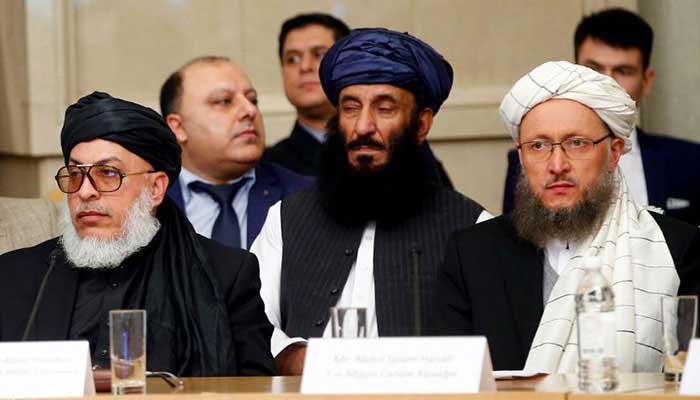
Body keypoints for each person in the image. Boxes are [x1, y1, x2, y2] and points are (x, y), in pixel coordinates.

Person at [434, 61, 700, 373]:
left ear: (614, 152)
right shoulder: (473, 254)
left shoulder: (676, 249)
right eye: (538, 145)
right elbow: (450, 382)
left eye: (576, 143)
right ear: (521, 157)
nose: (557, 164)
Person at [252, 28, 490, 375]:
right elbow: (251, 320)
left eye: (384, 108)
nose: (363, 126)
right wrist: (296, 358)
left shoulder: (474, 229)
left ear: (421, 125)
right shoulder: (285, 219)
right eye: (350, 108)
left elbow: (494, 349)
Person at [0, 92, 276, 377]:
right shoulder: (14, 276)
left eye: (108, 173)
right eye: (76, 174)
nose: (85, 191)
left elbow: (256, 388)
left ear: (155, 188)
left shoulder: (226, 275)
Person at [502, 8, 700, 225]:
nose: (606, 83)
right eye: (593, 69)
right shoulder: (528, 161)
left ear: (647, 81)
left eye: (623, 71)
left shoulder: (691, 161)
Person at [263, 13, 454, 188]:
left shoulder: (409, 152)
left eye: (318, 54)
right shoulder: (269, 165)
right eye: (292, 59)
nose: (305, 67)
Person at [160, 56, 311, 250]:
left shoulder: (305, 198)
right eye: (224, 101)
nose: (250, 110)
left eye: (253, 100)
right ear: (178, 127)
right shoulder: (146, 203)